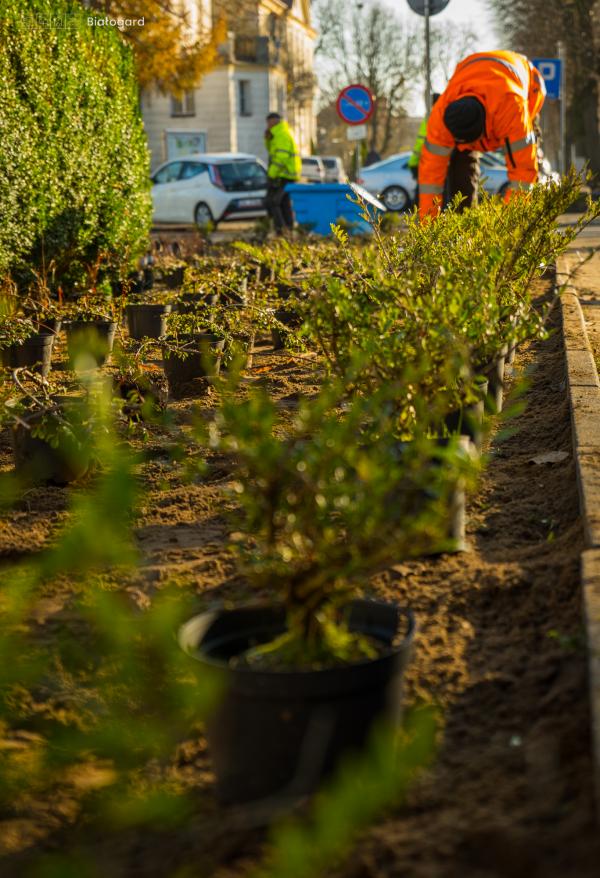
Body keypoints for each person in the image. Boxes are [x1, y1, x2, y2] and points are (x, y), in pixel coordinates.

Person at [418, 51, 547, 219]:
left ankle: (533, 225)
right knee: (460, 167)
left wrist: (509, 231)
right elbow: (430, 180)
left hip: (527, 89)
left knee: (532, 165)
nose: (465, 147)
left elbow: (523, 174)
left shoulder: (511, 110)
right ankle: (464, 222)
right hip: (474, 73)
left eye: (468, 144)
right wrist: (427, 232)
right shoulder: (441, 116)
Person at [264, 112, 301, 233]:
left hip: (284, 175)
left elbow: (281, 157)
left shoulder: (281, 135)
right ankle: (288, 228)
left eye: (268, 123)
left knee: (273, 202)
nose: (267, 126)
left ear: (273, 122)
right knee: (283, 203)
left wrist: (271, 174)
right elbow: (272, 151)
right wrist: (267, 139)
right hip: (285, 175)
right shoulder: (278, 133)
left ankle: (281, 230)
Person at [407, 93, 441, 180]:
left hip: (426, 164)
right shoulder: (440, 116)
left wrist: (413, 163)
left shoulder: (430, 117)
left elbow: (421, 142)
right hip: (433, 164)